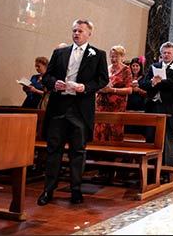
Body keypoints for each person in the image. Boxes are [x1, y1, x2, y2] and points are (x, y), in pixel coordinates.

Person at [37, 19, 109, 206]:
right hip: (58, 108)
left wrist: (85, 87)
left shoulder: (98, 54)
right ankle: (48, 190)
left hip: (80, 110)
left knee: (78, 151)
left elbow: (102, 80)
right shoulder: (59, 52)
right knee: (54, 151)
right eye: (74, 30)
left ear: (89, 34)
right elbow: (47, 77)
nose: (76, 34)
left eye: (80, 31)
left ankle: (75, 190)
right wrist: (54, 83)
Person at [139, 41, 173, 175]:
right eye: (164, 52)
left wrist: (158, 82)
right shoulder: (154, 66)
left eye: (169, 53)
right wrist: (152, 82)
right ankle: (149, 170)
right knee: (151, 136)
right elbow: (143, 83)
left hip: (168, 108)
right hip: (153, 106)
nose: (166, 55)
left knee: (167, 139)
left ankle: (165, 171)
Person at [94, 45, 132, 142]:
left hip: (116, 106)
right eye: (111, 56)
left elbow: (129, 90)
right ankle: (98, 153)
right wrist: (100, 88)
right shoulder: (106, 69)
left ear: (122, 57)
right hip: (102, 104)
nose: (113, 59)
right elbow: (97, 84)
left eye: (116, 56)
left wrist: (113, 90)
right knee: (100, 129)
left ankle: (112, 154)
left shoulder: (126, 70)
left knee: (113, 130)